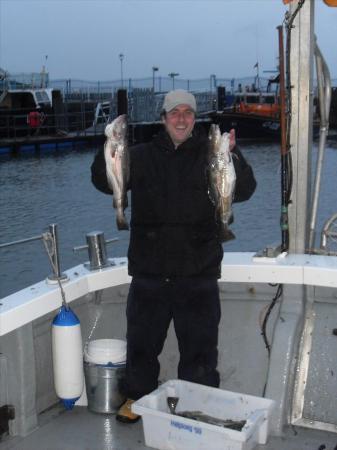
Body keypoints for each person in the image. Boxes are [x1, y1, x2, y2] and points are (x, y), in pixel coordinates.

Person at [91, 89, 256, 423]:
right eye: (175, 112)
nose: (181, 118)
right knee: (141, 346)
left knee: (200, 352)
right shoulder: (139, 155)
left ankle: (199, 406)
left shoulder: (211, 154)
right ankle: (136, 399)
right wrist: (108, 149)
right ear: (164, 118)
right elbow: (103, 182)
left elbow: (246, 190)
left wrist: (234, 155)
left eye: (188, 113)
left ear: (194, 120)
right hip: (150, 271)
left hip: (199, 272)